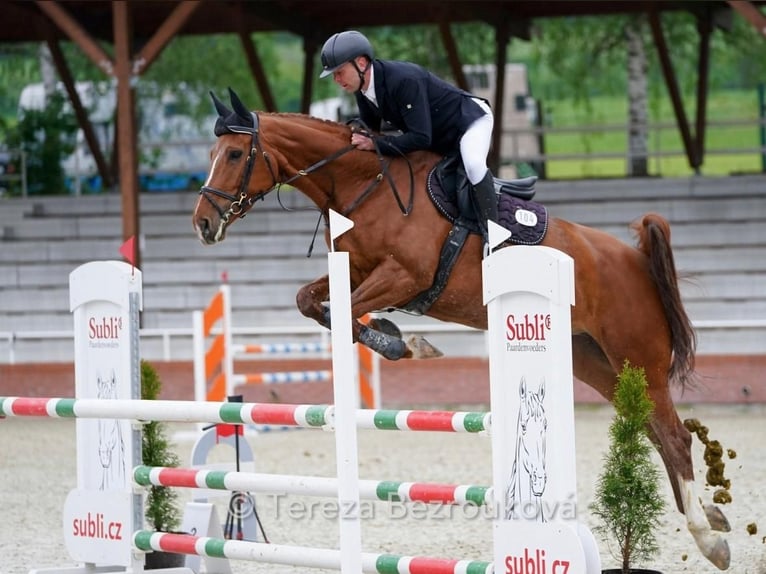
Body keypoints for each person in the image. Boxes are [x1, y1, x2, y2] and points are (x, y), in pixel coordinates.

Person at [319, 30, 497, 242]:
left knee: (474, 164)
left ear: (361, 63)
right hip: (441, 136)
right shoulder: (363, 90)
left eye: (339, 72)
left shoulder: (404, 80)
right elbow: (372, 134)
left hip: (469, 120)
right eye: (334, 75)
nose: (337, 79)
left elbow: (421, 138)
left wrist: (374, 143)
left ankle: (493, 236)